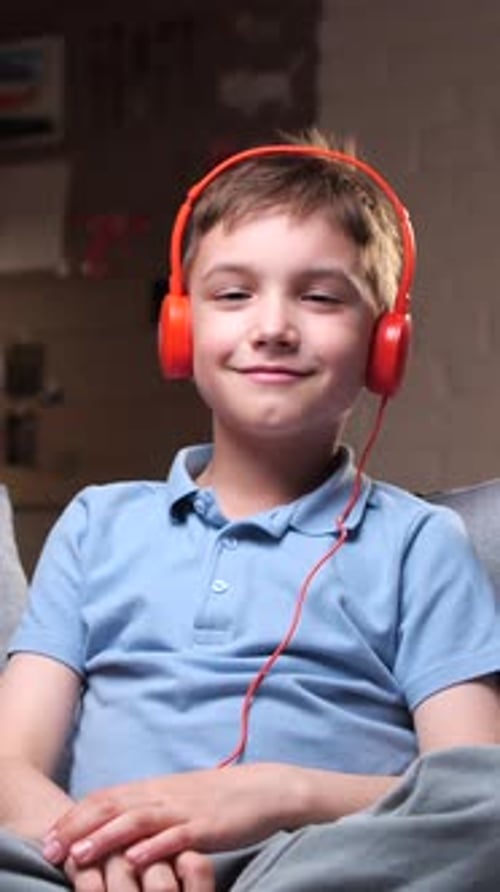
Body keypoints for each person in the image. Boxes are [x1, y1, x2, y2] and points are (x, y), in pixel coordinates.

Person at [1, 131, 500, 892]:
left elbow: (475, 791)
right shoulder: (98, 524)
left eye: (322, 296)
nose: (272, 326)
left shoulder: (420, 544)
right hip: (83, 869)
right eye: (233, 294)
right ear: (181, 329)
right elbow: (11, 764)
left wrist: (272, 795)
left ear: (383, 344)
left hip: (313, 862)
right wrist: (108, 854)